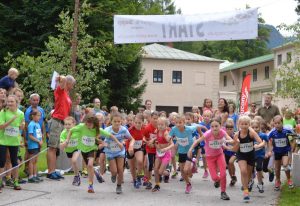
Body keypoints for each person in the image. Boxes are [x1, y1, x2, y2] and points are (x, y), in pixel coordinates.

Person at [62, 113, 119, 193]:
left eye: (90, 124)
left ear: (94, 123)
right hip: (83, 150)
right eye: (87, 123)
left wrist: (118, 143)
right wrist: (67, 140)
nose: (88, 126)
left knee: (89, 165)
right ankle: (95, 171)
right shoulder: (82, 126)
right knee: (90, 167)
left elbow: (110, 135)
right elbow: (71, 130)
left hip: (91, 150)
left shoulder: (97, 129)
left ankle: (90, 185)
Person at [188, 117, 234, 200]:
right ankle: (218, 180)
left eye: (216, 126)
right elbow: (197, 141)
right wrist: (191, 149)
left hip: (220, 155)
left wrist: (230, 141)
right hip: (210, 157)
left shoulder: (222, 132)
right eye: (212, 126)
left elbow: (230, 139)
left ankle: (223, 192)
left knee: (223, 174)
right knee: (214, 177)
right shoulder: (208, 133)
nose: (214, 128)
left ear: (220, 126)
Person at [47, 75, 75, 180]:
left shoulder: (66, 94)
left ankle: (53, 170)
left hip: (62, 122)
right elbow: (62, 79)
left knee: (55, 148)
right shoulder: (60, 91)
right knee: (52, 147)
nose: (72, 87)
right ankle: (51, 172)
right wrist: (61, 77)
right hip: (56, 121)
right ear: (68, 83)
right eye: (72, 84)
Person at [232, 115, 264, 203]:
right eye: (242, 124)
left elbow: (261, 142)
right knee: (243, 171)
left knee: (249, 174)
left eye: (246, 124)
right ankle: (246, 192)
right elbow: (234, 148)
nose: (244, 126)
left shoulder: (251, 132)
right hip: (241, 155)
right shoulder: (236, 134)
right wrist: (236, 143)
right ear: (239, 125)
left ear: (249, 124)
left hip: (250, 155)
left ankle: (249, 182)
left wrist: (258, 145)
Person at [169, 114, 203, 194]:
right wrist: (167, 138)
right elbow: (169, 136)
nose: (178, 124)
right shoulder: (174, 129)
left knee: (185, 169)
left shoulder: (189, 128)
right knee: (182, 171)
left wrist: (201, 133)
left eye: (180, 122)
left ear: (184, 123)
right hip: (181, 151)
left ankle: (193, 164)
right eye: (176, 123)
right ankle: (188, 183)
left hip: (190, 150)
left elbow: (198, 126)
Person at [103, 112, 134, 194]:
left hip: (120, 151)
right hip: (110, 152)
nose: (117, 123)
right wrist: (103, 143)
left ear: (121, 122)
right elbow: (97, 137)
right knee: (114, 171)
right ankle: (113, 175)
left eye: (119, 121)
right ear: (111, 121)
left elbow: (132, 139)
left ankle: (119, 186)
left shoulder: (123, 129)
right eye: (115, 121)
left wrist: (130, 146)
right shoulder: (107, 130)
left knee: (120, 169)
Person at [0, 95, 25, 192]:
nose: (10, 103)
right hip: (3, 140)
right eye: (8, 102)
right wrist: (12, 119)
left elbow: (21, 127)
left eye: (12, 102)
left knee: (15, 162)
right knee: (1, 161)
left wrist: (22, 125)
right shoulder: (3, 112)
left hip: (14, 141)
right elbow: (1, 126)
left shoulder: (21, 113)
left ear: (16, 102)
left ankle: (16, 182)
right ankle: (0, 182)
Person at [267, 115, 294, 191]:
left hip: (285, 151)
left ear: (282, 122)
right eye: (275, 123)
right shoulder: (272, 132)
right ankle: (278, 181)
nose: (277, 125)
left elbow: (292, 138)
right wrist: (270, 149)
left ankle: (289, 179)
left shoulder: (287, 131)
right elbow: (268, 139)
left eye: (279, 123)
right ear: (273, 124)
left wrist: (292, 146)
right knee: (277, 168)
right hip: (277, 152)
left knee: (285, 165)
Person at [24, 93, 45, 175]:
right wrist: (25, 138)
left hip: (38, 134)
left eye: (37, 100)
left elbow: (42, 122)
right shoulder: (28, 111)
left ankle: (33, 171)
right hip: (31, 134)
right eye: (34, 100)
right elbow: (26, 125)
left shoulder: (41, 110)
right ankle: (27, 168)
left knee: (36, 153)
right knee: (29, 153)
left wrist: (43, 133)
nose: (36, 102)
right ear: (30, 101)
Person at [152, 117, 174, 192]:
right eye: (159, 124)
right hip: (159, 153)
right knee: (155, 169)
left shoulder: (165, 133)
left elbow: (172, 145)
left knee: (160, 172)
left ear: (166, 126)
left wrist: (166, 148)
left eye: (162, 124)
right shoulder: (157, 131)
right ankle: (157, 185)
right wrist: (154, 142)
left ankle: (167, 172)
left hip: (166, 153)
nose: (160, 126)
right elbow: (157, 139)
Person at [59, 117, 80, 186]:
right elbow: (61, 145)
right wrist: (64, 143)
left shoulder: (77, 130)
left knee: (74, 160)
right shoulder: (63, 133)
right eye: (66, 124)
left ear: (74, 124)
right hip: (68, 150)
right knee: (73, 163)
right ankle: (77, 175)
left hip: (76, 148)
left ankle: (76, 176)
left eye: (69, 124)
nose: (67, 126)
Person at [250, 119, 268, 193]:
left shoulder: (263, 135)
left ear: (259, 127)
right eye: (253, 127)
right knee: (250, 169)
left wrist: (258, 146)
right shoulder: (250, 135)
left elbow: (264, 143)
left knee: (259, 168)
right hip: (251, 155)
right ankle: (250, 181)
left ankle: (260, 183)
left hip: (260, 154)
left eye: (256, 127)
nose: (255, 129)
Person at [127, 113, 145, 189]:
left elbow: (146, 136)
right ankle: (134, 180)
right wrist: (129, 148)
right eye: (136, 123)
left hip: (138, 148)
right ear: (134, 122)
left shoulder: (144, 128)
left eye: (139, 123)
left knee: (140, 161)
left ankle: (138, 177)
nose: (137, 124)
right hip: (130, 148)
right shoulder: (130, 130)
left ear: (143, 122)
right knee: (132, 166)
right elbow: (126, 139)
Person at [143, 111, 159, 189]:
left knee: (156, 167)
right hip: (149, 150)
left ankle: (157, 182)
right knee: (149, 165)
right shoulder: (147, 127)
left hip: (158, 150)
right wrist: (147, 142)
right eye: (154, 118)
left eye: (157, 118)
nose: (155, 120)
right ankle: (149, 181)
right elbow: (142, 136)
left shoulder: (160, 127)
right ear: (150, 118)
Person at [27, 109, 43, 183]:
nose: (39, 117)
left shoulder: (38, 124)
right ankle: (30, 176)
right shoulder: (31, 124)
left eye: (40, 115)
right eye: (38, 115)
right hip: (33, 145)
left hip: (37, 145)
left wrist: (41, 141)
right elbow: (30, 136)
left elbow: (39, 134)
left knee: (35, 161)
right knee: (32, 161)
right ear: (33, 116)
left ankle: (35, 175)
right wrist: (38, 141)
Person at [223, 118, 237, 186]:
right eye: (227, 129)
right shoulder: (224, 136)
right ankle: (232, 178)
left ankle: (234, 175)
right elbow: (222, 145)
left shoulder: (235, 135)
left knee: (231, 162)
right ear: (225, 129)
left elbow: (237, 144)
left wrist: (234, 147)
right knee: (229, 166)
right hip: (226, 152)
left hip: (234, 152)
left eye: (231, 129)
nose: (229, 130)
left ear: (233, 129)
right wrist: (226, 147)